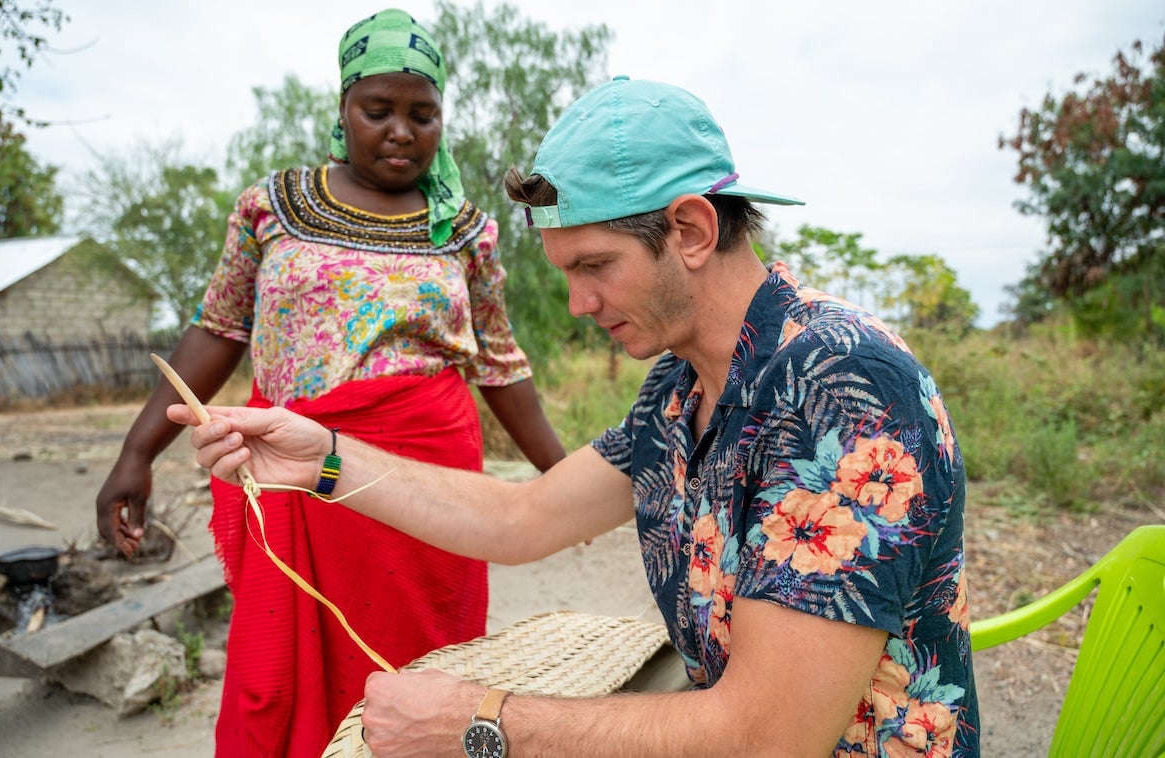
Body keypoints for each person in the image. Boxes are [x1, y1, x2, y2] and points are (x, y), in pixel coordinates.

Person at [171, 76, 979, 757]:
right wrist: (327, 459)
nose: (578, 303)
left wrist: (480, 721)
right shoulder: (681, 384)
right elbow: (526, 514)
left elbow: (768, 736)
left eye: (595, 266)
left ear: (692, 229)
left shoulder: (844, 383)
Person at [96, 8, 566, 757]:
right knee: (276, 676)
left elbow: (500, 365)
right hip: (294, 472)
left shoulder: (463, 229)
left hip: (427, 486)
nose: (401, 131)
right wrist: (135, 453)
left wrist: (569, 485)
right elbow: (218, 330)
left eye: (423, 114)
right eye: (377, 110)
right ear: (343, 110)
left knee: (421, 680)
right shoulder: (272, 205)